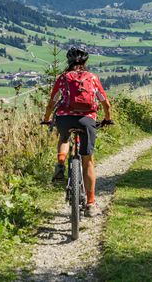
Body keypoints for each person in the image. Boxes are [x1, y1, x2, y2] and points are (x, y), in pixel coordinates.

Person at [42, 46, 113, 217]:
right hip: (87, 120)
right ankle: (90, 203)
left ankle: (60, 163)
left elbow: (52, 102)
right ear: (85, 62)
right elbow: (105, 103)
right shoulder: (92, 78)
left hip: (65, 119)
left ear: (69, 62)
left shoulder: (63, 78)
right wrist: (107, 118)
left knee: (64, 139)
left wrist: (46, 118)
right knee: (87, 161)